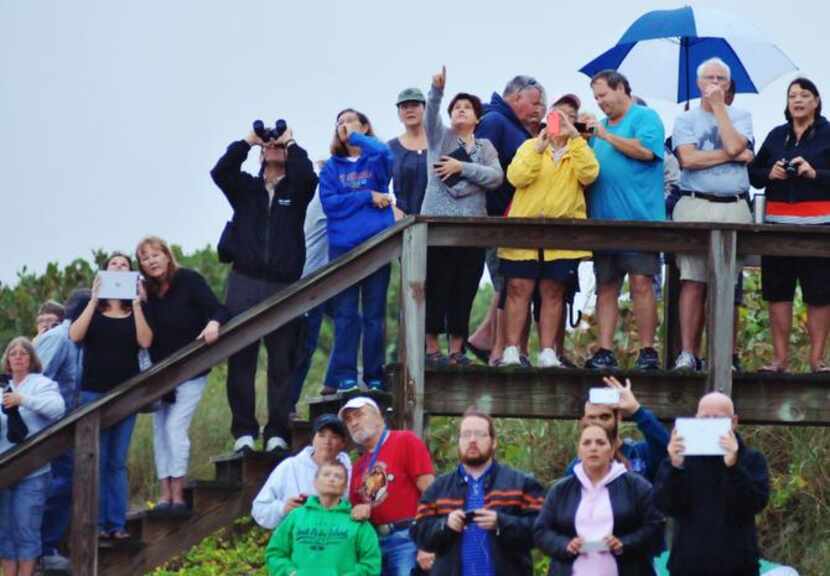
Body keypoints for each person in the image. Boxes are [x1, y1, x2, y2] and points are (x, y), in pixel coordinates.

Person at [210, 120, 318, 454]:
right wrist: (248, 139)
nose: (273, 146)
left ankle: (277, 431)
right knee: (241, 357)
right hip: (245, 280)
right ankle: (244, 432)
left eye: (279, 145)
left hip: (284, 283)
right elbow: (220, 171)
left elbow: (308, 177)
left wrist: (292, 142)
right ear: (259, 153)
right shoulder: (245, 189)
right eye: (268, 145)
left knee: (282, 359)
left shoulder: (296, 190)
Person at [499, 94, 598, 367]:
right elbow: (516, 177)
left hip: (563, 234)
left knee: (553, 290)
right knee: (518, 288)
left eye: (569, 117)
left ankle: (547, 352)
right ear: (548, 117)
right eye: (558, 115)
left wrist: (575, 139)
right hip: (524, 230)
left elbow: (589, 174)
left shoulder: (581, 149)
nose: (562, 121)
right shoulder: (530, 146)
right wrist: (538, 149)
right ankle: (511, 350)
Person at [671, 58, 754, 371]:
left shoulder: (742, 116)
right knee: (692, 279)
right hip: (695, 201)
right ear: (699, 83)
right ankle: (688, 353)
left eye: (721, 78)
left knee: (729, 282)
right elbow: (688, 159)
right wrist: (732, 155)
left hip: (733, 203)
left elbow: (736, 143)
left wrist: (721, 111)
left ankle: (724, 355)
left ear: (729, 84)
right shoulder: (685, 120)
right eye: (710, 78)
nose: (716, 83)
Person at [136, 236, 229, 512]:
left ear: (167, 255)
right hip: (161, 375)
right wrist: (140, 303)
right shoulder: (146, 294)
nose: (151, 260)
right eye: (145, 257)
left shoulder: (188, 279)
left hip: (191, 369)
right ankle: (165, 493)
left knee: (175, 428)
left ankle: (179, 492)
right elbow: (146, 338)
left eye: (155, 254)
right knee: (160, 431)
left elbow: (219, 308)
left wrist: (213, 323)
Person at [583, 70, 666, 371]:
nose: (600, 102)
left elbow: (646, 152)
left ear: (621, 89)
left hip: (639, 219)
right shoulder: (598, 129)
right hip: (604, 221)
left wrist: (605, 136)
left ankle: (647, 350)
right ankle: (604, 350)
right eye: (596, 98)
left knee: (642, 283)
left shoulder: (645, 117)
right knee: (606, 285)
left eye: (603, 95)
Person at [421, 66, 504, 366]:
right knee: (436, 287)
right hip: (438, 228)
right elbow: (430, 116)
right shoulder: (440, 139)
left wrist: (462, 168)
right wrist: (437, 92)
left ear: (477, 118)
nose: (461, 111)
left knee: (464, 288)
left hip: (472, 230)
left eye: (467, 108)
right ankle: (431, 349)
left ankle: (457, 349)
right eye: (456, 108)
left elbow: (496, 178)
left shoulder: (485, 147)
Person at [69, 252, 153, 539]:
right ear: (105, 272)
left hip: (125, 395)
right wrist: (94, 298)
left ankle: (116, 524)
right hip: (93, 394)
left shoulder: (136, 310)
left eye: (124, 265)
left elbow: (145, 341)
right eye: (114, 264)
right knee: (97, 459)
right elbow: (75, 335)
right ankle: (96, 525)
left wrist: (137, 304)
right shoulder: (90, 307)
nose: (119, 267)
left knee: (117, 461)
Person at [749, 77, 830, 373]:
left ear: (816, 101)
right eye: (792, 95)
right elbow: (753, 174)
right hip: (777, 227)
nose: (797, 100)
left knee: (820, 295)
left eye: (804, 95)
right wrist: (769, 172)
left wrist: (814, 173)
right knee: (777, 293)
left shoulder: (828, 134)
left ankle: (817, 359)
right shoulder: (775, 136)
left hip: (819, 228)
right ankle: (779, 359)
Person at [319, 109, 401, 393]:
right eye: (339, 122)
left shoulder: (374, 158)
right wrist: (367, 196)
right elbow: (331, 205)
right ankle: (345, 376)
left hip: (376, 247)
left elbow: (387, 155)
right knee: (345, 315)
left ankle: (375, 375)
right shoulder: (331, 168)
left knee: (374, 316)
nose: (343, 126)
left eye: (350, 121)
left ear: (365, 126)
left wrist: (356, 137)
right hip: (343, 250)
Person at [468, 75, 546, 367]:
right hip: (495, 216)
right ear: (516, 98)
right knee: (506, 280)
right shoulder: (494, 122)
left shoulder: (512, 125)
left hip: (510, 216)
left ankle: (488, 341)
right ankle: (497, 350)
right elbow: (481, 166)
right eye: (534, 102)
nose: (538, 108)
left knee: (511, 279)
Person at [410, 409, 545, 575]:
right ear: (459, 441)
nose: (472, 440)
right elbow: (418, 533)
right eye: (466, 434)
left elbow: (541, 530)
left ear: (494, 442)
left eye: (480, 434)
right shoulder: (437, 489)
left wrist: (501, 523)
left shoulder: (522, 484)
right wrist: (446, 525)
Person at [654, 392, 769, 576]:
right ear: (696, 419)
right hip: (688, 566)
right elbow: (665, 506)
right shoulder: (681, 459)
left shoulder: (751, 459)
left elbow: (754, 504)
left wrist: (733, 467)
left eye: (718, 419)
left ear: (734, 422)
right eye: (705, 418)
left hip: (739, 567)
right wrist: (676, 467)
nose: (710, 424)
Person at [534, 423, 663, 576]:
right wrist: (565, 545)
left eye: (600, 442)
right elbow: (541, 531)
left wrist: (624, 543)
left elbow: (656, 526)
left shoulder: (636, 486)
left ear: (612, 450)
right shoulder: (560, 490)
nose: (593, 448)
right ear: (579, 451)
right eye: (587, 443)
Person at [340, 397, 435, 576]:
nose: (353, 422)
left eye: (359, 415)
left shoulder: (405, 440)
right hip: (373, 542)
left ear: (379, 417)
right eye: (349, 419)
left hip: (408, 537)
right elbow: (354, 509)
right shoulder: (358, 465)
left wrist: (428, 543)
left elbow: (431, 493)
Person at [0, 338, 64, 576]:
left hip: (32, 469)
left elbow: (58, 409)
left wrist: (22, 400)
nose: (18, 356)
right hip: (4, 469)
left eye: (23, 353)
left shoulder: (43, 384)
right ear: (7, 360)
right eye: (13, 353)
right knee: (4, 531)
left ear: (31, 359)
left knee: (26, 528)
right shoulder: (0, 386)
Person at [35, 290, 88, 571]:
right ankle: (43, 549)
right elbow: (36, 380)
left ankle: (49, 547)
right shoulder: (57, 339)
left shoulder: (81, 342)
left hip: (68, 427)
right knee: (54, 485)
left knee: (67, 483)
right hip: (46, 426)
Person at [265, 460, 381, 576]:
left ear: (345, 487)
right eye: (326, 475)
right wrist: (290, 573)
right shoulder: (296, 516)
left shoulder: (357, 521)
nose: (331, 479)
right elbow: (275, 552)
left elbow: (371, 563)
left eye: (338, 476)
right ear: (315, 482)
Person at [252, 413, 352, 530]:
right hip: (296, 540)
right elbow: (259, 508)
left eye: (334, 437)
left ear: (343, 443)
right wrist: (283, 508)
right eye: (322, 435)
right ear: (313, 439)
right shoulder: (290, 467)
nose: (327, 441)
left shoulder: (350, 471)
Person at [286, 185, 340, 401]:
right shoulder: (326, 198)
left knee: (352, 319)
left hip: (322, 283)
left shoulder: (320, 194)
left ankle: (332, 381)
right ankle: (287, 406)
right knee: (303, 348)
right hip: (308, 284)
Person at [566, 376, 669, 483]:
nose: (598, 423)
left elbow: (666, 450)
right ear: (584, 421)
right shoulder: (576, 468)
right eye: (592, 417)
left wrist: (637, 410)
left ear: (618, 418)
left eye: (604, 417)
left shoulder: (639, 453)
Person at [389, 87, 429, 216]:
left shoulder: (441, 142)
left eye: (415, 105)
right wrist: (392, 210)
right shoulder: (390, 148)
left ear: (425, 109)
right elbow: (375, 186)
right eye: (404, 106)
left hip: (441, 221)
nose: (409, 110)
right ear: (399, 113)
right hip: (404, 224)